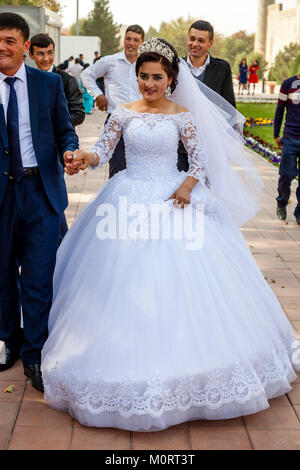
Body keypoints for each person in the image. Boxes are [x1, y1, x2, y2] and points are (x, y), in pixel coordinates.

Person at [41, 38, 300, 432]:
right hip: (127, 197)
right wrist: (83, 158)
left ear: (171, 79)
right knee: (120, 279)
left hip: (173, 198)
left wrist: (187, 186)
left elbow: (199, 160)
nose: (148, 83)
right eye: (143, 76)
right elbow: (104, 154)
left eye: (156, 77)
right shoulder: (123, 113)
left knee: (184, 280)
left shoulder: (183, 116)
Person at [0, 13, 78, 391]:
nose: (2, 47)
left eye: (10, 40)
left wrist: (69, 152)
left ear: (26, 46)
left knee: (38, 276)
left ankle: (35, 353)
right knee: (1, 275)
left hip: (41, 191)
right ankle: (7, 343)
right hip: (1, 195)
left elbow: (66, 130)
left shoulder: (48, 84)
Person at [29, 33, 85, 243]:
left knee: (52, 200)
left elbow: (78, 113)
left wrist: (48, 126)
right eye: (40, 54)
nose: (46, 58)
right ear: (31, 54)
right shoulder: (26, 80)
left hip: (55, 151)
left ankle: (61, 245)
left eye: (50, 53)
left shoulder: (66, 80)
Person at [81, 24, 144, 178]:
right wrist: (98, 95)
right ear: (124, 40)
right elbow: (87, 74)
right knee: (118, 170)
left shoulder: (147, 64)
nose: (131, 43)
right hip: (116, 122)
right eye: (128, 38)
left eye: (136, 40)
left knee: (140, 171)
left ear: (142, 43)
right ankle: (117, 201)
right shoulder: (110, 61)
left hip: (142, 122)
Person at [178, 20, 236, 172]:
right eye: (192, 39)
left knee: (207, 191)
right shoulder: (176, 66)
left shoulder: (222, 68)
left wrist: (226, 142)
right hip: (179, 145)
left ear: (210, 43)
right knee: (179, 190)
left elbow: (229, 105)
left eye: (201, 40)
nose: (195, 44)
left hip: (210, 143)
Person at [274, 74, 300, 224]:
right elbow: (280, 109)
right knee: (286, 175)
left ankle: (299, 211)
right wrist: (276, 134)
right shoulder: (288, 83)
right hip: (290, 137)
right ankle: (282, 202)